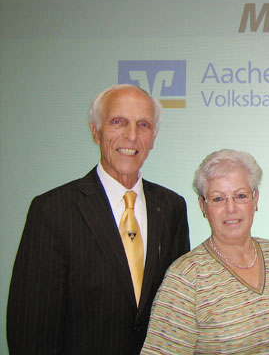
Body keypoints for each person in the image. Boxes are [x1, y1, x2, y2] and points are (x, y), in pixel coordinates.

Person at [6, 85, 190, 355]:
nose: (132, 135)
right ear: (95, 132)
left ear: (153, 138)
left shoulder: (172, 207)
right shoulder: (53, 210)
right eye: (118, 122)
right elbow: (31, 330)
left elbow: (179, 314)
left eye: (143, 125)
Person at [141, 149, 269, 354]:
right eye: (218, 199)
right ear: (203, 206)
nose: (231, 208)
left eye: (241, 196)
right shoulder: (186, 277)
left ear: (255, 199)